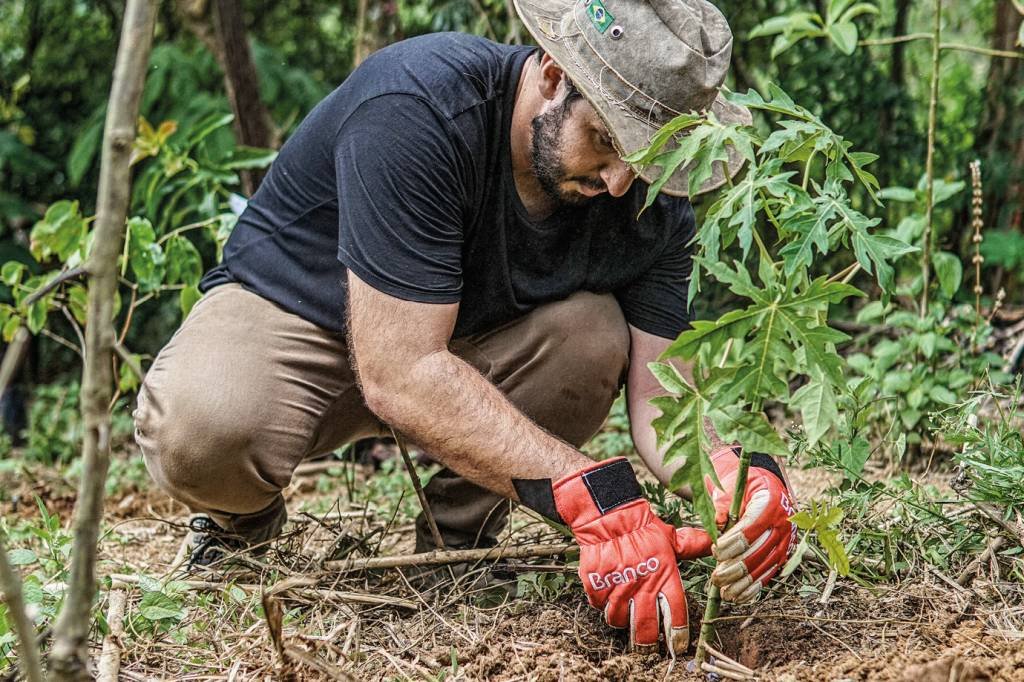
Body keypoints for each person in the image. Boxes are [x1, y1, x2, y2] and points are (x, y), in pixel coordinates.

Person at [133, 0, 796, 655]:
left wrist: (733, 476)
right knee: (202, 423)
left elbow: (663, 397)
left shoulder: (651, 199)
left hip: (465, 345)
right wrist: (589, 494)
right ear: (552, 74)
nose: (621, 182)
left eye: (649, 160)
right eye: (605, 140)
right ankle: (238, 529)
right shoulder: (418, 104)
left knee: (591, 335)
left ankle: (458, 551)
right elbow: (400, 372)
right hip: (302, 320)